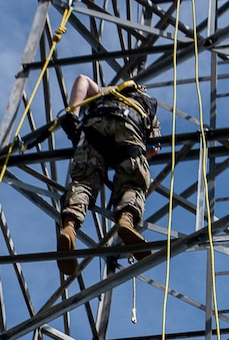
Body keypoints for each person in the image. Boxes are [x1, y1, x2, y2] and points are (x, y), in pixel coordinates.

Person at [56, 72, 161, 282]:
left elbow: (81, 79)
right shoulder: (148, 106)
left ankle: (69, 226)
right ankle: (126, 221)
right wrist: (130, 159)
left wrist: (72, 114)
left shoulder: (107, 93)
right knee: (133, 183)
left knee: (84, 182)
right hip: (129, 129)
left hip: (95, 128)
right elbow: (154, 148)